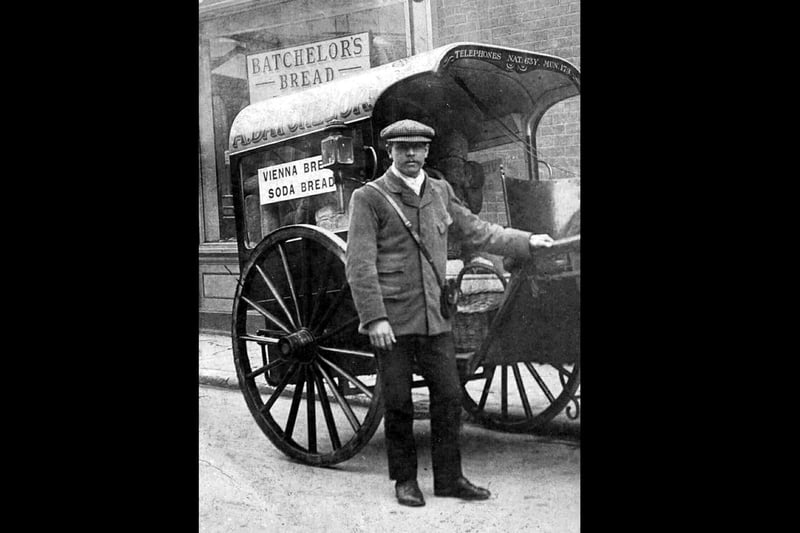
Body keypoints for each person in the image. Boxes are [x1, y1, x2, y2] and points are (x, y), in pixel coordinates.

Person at [345, 119, 554, 507]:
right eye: (402, 148)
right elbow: (359, 265)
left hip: (435, 317)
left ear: (427, 152)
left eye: (418, 148)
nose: (411, 154)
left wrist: (527, 241)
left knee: (449, 395)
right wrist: (374, 318)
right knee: (399, 402)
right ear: (389, 151)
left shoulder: (440, 191)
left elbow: (478, 231)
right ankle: (405, 480)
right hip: (392, 320)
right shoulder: (370, 198)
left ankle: (449, 478)